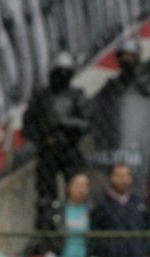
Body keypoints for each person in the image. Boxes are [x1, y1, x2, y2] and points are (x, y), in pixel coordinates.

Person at [89, 39, 150, 197]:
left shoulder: (147, 86)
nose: (127, 60)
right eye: (124, 56)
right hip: (116, 143)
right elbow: (97, 110)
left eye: (131, 56)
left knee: (141, 179)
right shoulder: (111, 85)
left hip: (140, 142)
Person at [23, 52, 88, 207]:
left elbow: (86, 123)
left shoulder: (77, 95)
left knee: (76, 194)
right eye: (59, 71)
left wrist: (64, 123)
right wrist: (42, 138)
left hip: (70, 150)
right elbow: (28, 124)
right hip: (47, 152)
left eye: (66, 72)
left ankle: (74, 220)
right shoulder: (41, 96)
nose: (62, 76)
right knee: (46, 198)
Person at [43, 173, 92, 257]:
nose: (81, 189)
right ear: (69, 187)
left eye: (85, 186)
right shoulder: (58, 210)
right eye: (77, 185)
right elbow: (46, 233)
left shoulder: (91, 211)